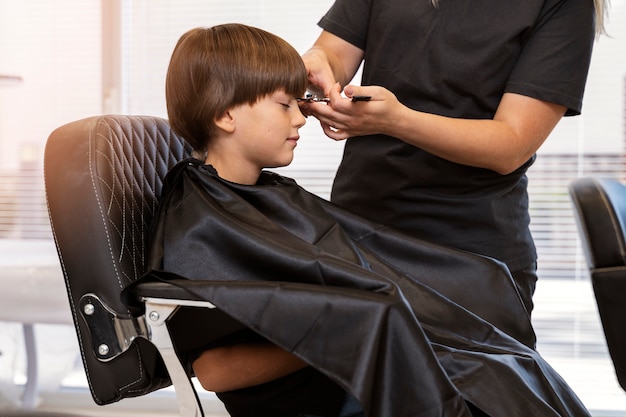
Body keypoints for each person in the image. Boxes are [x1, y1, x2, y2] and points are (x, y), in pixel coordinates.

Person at [140, 22, 594, 417]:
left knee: (495, 352)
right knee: (480, 381)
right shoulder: (201, 223)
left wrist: (372, 324)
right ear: (224, 115)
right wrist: (351, 334)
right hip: (318, 396)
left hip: (348, 372)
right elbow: (213, 371)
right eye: (285, 105)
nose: (302, 117)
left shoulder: (260, 196)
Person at [301, 0, 609, 349]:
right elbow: (333, 54)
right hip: (360, 235)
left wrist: (398, 121)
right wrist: (316, 65)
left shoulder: (564, 4)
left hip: (472, 258)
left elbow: (511, 145)